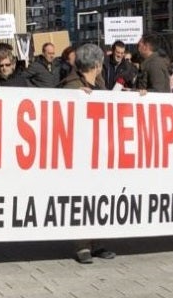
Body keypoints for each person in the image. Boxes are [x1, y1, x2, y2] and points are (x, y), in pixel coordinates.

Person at [58, 43, 116, 263]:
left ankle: (97, 242)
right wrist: (75, 98)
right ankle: (82, 244)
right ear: (97, 65)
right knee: (83, 197)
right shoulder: (72, 87)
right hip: (80, 154)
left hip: (99, 152)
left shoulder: (98, 85)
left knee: (100, 196)